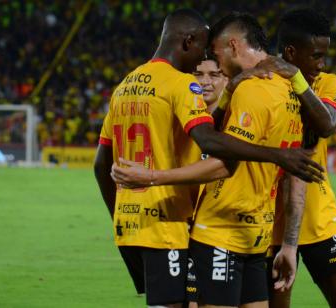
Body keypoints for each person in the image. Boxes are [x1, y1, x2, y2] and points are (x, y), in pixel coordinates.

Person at [93, 9, 323, 307]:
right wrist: (279, 155)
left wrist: (119, 216)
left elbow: (101, 165)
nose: (206, 60)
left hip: (130, 225)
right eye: (204, 49)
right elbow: (210, 142)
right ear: (188, 42)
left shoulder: (124, 86)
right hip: (170, 223)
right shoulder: (179, 83)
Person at [267, 8, 336, 308]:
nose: (322, 65)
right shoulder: (262, 87)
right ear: (291, 51)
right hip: (270, 225)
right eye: (316, 56)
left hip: (320, 218)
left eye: (324, 56)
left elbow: (326, 124)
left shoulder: (328, 83)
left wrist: (297, 78)